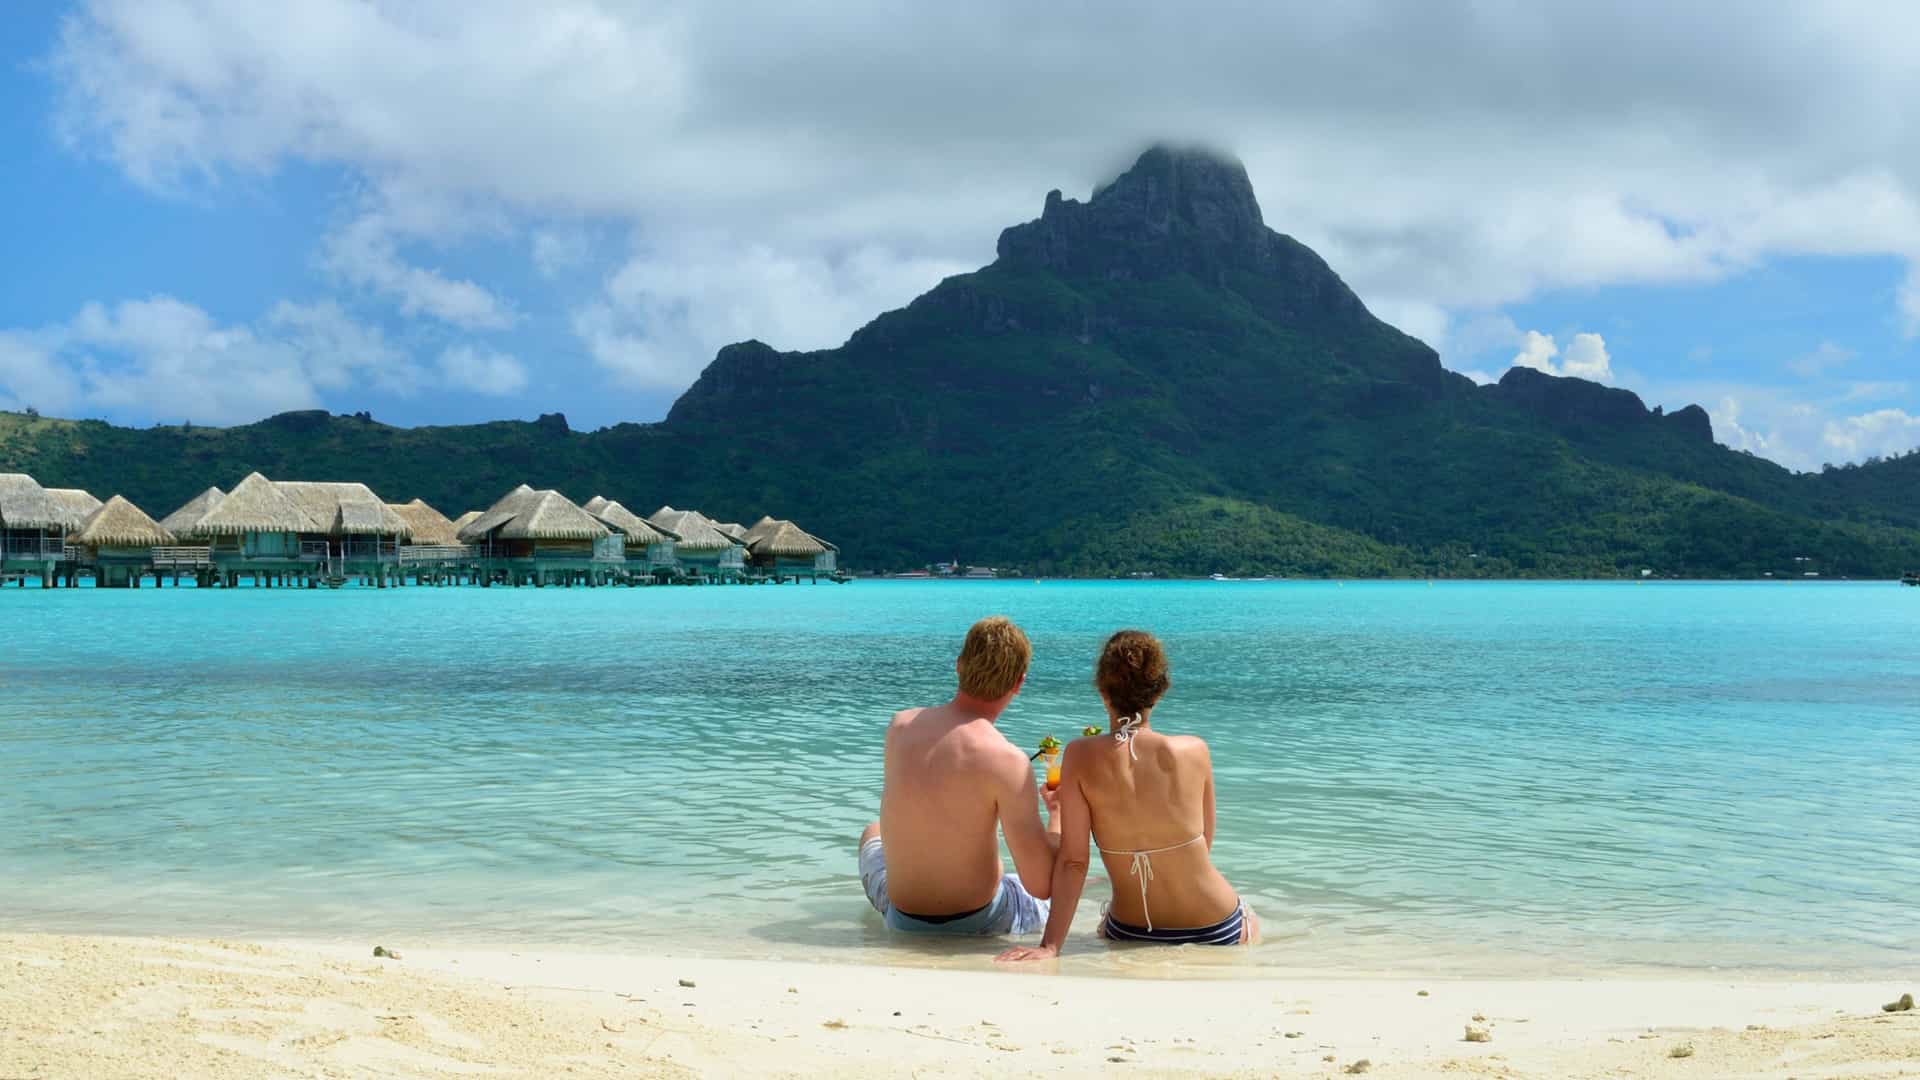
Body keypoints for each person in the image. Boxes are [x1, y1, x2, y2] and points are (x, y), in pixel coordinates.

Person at [998, 630, 1257, 961]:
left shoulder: (1080, 755)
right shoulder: (1194, 750)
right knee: (1252, 921)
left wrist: (1050, 947)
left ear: (1103, 691)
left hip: (1130, 930)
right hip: (1215, 926)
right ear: (1159, 692)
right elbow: (1203, 843)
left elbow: (1075, 862)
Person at [858, 615, 1060, 935]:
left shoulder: (900, 727)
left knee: (873, 831)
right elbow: (1042, 884)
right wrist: (1057, 816)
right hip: (980, 920)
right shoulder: (1008, 760)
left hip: (902, 918)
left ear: (958, 665)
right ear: (1019, 683)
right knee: (1037, 886)